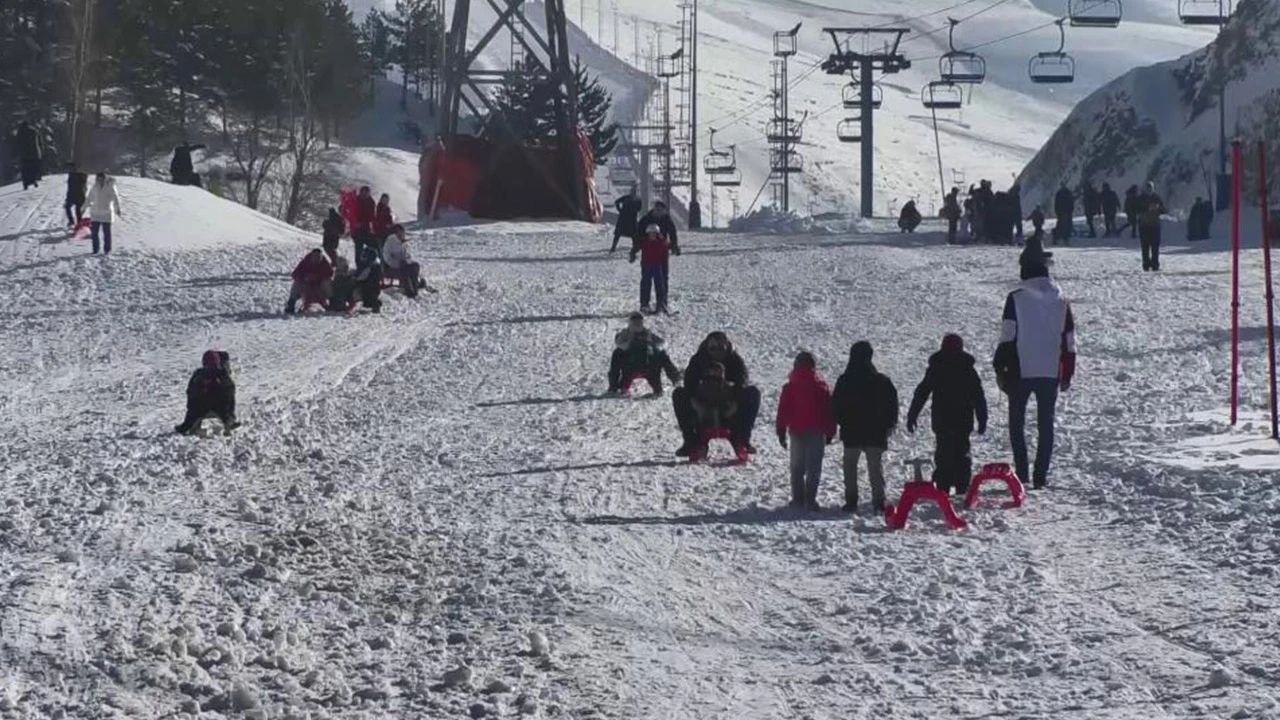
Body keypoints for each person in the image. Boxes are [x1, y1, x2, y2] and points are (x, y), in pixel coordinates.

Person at [992, 252, 1076, 489]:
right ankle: (1041, 474)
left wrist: (999, 366)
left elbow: (1008, 335)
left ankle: (1021, 473)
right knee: (1045, 424)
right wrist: (1067, 372)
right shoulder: (1061, 302)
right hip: (1050, 370)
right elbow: (1069, 340)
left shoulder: (1016, 298)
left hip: (1021, 369)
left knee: (1016, 424)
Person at [906, 334, 988, 496]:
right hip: (962, 419)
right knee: (961, 453)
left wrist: (913, 414)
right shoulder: (966, 368)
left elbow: (922, 392)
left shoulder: (938, 367)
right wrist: (982, 417)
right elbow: (978, 396)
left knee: (944, 453)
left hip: (942, 419)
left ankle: (943, 486)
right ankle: (960, 486)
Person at [831, 341, 898, 513]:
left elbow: (836, 405)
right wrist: (889, 425)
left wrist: (841, 422)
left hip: (851, 431)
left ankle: (851, 500)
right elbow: (892, 405)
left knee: (850, 467)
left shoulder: (845, 380)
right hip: (875, 432)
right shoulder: (881, 380)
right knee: (875, 468)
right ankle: (879, 500)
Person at [672, 332, 761, 457]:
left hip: (729, 409)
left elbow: (742, 381)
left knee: (753, 392)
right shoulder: (698, 360)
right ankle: (690, 441)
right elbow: (689, 384)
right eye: (713, 348)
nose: (717, 352)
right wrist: (699, 402)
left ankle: (743, 439)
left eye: (721, 349)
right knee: (679, 394)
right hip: (702, 409)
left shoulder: (734, 360)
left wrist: (733, 400)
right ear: (707, 348)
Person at [776, 352, 837, 511]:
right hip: (817, 431)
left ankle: (797, 499)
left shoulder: (790, 387)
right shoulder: (821, 387)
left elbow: (783, 410)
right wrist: (830, 431)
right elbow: (828, 412)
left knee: (797, 467)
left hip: (796, 430)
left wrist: (781, 431)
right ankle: (811, 500)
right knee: (814, 467)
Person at [608, 312, 681, 396]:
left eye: (639, 321)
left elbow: (663, 343)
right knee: (617, 353)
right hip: (629, 368)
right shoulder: (625, 334)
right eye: (634, 322)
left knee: (662, 354)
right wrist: (630, 341)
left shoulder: (648, 334)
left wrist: (652, 346)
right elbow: (619, 344)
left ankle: (675, 378)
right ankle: (613, 386)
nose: (637, 324)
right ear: (630, 323)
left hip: (649, 368)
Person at [175, 351, 238, 436]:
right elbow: (230, 394)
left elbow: (190, 393)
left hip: (202, 409)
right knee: (229, 394)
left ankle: (188, 425)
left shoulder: (199, 374)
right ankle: (229, 420)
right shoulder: (223, 375)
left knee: (194, 407)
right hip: (220, 410)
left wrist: (191, 408)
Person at [630, 223, 671, 313]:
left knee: (660, 286)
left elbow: (667, 248)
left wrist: (674, 248)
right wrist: (633, 253)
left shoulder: (661, 242)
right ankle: (644, 304)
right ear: (647, 234)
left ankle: (661, 304)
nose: (652, 236)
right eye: (650, 234)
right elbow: (636, 246)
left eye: (654, 233)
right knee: (645, 285)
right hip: (647, 265)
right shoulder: (644, 241)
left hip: (657, 266)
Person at [285, 248, 333, 315]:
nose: (317, 258)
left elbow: (330, 273)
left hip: (320, 287)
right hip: (306, 286)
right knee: (296, 283)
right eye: (315, 256)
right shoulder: (305, 262)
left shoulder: (324, 263)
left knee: (327, 282)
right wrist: (304, 278)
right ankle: (291, 304)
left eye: (319, 257)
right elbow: (295, 274)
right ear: (311, 256)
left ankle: (333, 303)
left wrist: (318, 278)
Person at [382, 224, 424, 298]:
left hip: (404, 263)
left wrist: (408, 260)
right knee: (405, 269)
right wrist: (397, 263)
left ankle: (415, 285)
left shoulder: (402, 242)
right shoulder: (390, 242)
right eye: (401, 232)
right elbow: (387, 257)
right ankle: (410, 290)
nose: (402, 234)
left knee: (415, 266)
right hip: (393, 266)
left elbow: (407, 255)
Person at [85, 172, 122, 255]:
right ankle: (95, 249)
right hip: (95, 213)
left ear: (105, 179)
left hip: (106, 213)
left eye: (101, 178)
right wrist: (83, 208)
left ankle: (107, 250)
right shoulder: (95, 187)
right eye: (98, 179)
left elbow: (115, 199)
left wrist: (117, 210)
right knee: (94, 233)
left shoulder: (111, 187)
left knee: (106, 233)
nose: (99, 180)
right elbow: (89, 198)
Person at [1136, 181, 1166, 271]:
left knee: (1155, 247)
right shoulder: (1140, 198)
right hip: (1144, 225)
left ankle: (1155, 264)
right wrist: (1147, 208)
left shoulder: (1156, 197)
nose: (1149, 190)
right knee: (1145, 247)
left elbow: (1164, 209)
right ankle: (1146, 264)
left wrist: (1158, 208)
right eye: (1147, 188)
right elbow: (1136, 209)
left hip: (1155, 225)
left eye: (1150, 188)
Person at [352, 242, 384, 313]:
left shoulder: (371, 267)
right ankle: (374, 304)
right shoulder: (377, 265)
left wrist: (354, 278)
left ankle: (353, 304)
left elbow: (361, 277)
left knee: (355, 288)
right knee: (370, 298)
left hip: (367, 288)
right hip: (374, 288)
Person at [13, 121, 43, 190]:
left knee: (25, 170)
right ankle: (34, 180)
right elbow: (39, 142)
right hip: (33, 154)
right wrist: (40, 151)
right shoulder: (33, 131)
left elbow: (16, 144)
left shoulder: (19, 133)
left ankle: (25, 183)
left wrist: (16, 154)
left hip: (24, 155)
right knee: (33, 168)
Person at [612, 187, 643, 252]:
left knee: (634, 235)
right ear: (630, 192)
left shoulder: (638, 200)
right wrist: (620, 210)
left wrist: (635, 211)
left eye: (635, 191)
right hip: (623, 218)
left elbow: (639, 208)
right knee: (618, 234)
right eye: (632, 191)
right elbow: (617, 202)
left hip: (632, 219)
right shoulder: (626, 197)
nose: (633, 193)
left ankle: (635, 247)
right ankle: (613, 247)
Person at [352, 186, 377, 255]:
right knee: (358, 249)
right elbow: (351, 212)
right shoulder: (355, 200)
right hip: (356, 230)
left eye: (367, 193)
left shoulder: (371, 202)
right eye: (363, 193)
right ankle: (361, 259)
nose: (365, 195)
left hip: (366, 228)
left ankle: (368, 256)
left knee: (375, 246)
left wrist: (373, 226)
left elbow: (372, 216)